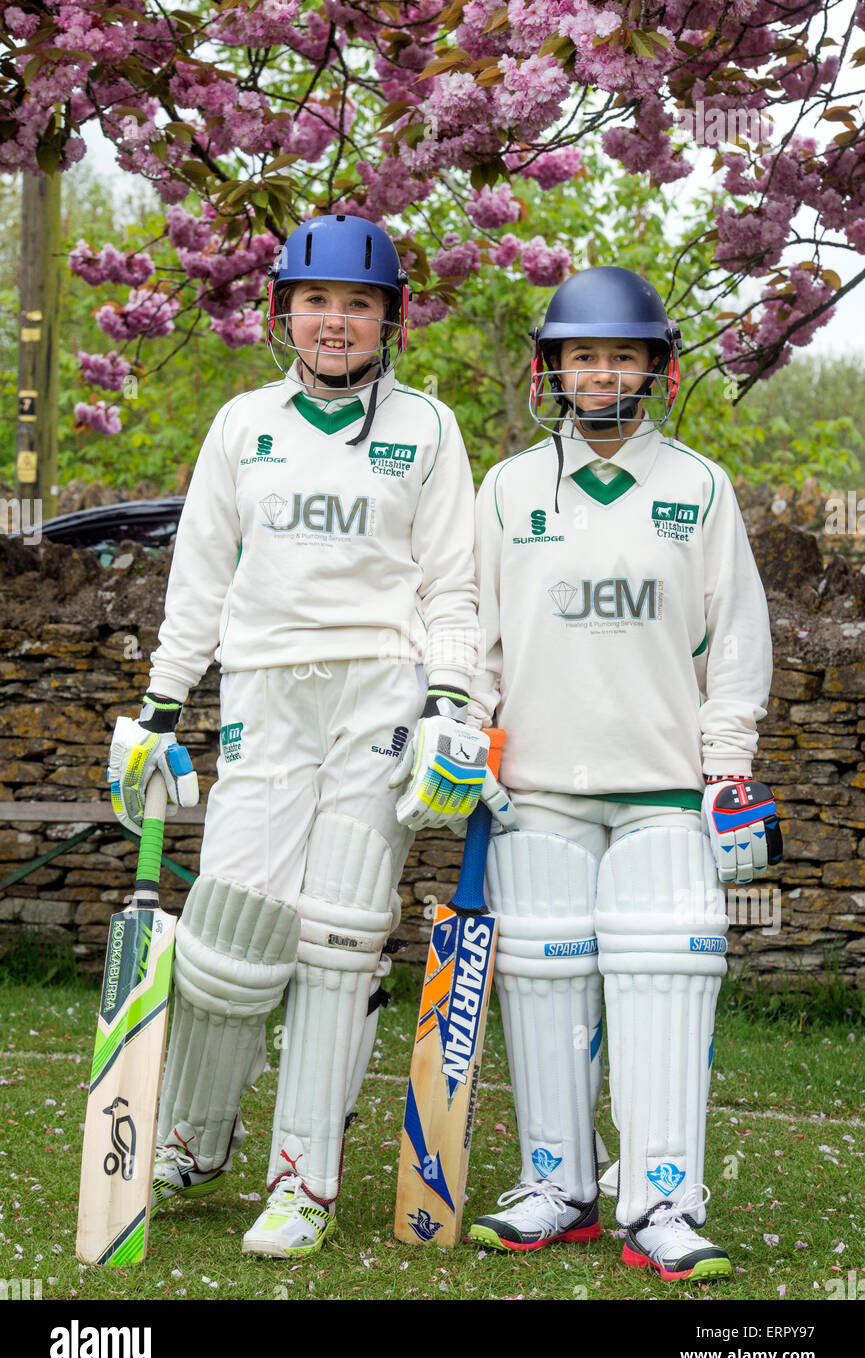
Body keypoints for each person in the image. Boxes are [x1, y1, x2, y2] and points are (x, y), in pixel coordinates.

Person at [107, 213, 496, 1259]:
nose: (336, 322)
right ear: (285, 311)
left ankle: (301, 1179)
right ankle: (199, 1127)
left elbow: (452, 584)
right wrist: (156, 706)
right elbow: (198, 580)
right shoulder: (244, 425)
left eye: (358, 305)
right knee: (229, 924)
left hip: (378, 690)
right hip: (264, 690)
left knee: (338, 936)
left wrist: (455, 706)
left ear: (389, 320)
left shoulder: (428, 428)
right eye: (318, 302)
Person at [465, 265, 782, 1281]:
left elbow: (735, 644)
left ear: (656, 369)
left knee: (662, 990)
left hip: (662, 793)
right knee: (544, 993)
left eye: (620, 356)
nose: (600, 375)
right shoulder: (511, 487)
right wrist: (465, 729)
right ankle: (555, 1184)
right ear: (549, 370)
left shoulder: (696, 487)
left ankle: (662, 1203)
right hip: (541, 791)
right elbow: (477, 634)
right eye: (580, 357)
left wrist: (725, 767)